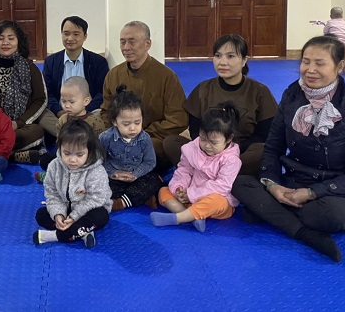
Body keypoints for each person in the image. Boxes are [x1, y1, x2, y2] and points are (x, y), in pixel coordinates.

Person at [231, 36, 345, 262]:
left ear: (339, 66)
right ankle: (305, 234)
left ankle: (272, 213)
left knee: (330, 215)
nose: (310, 70)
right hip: (294, 181)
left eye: (320, 63)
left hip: (337, 191)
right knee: (240, 183)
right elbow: (272, 148)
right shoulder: (292, 94)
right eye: (305, 62)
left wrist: (312, 193)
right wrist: (272, 185)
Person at [163, 35, 278, 176]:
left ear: (244, 60)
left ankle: (207, 174)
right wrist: (210, 148)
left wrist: (228, 150)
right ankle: (221, 175)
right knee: (170, 142)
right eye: (218, 56)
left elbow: (264, 135)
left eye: (230, 56)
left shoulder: (259, 91)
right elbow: (195, 131)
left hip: (240, 153)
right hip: (206, 150)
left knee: (262, 151)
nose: (222, 62)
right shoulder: (203, 89)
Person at [101, 21, 187, 171]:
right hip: (119, 134)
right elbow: (106, 111)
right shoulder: (113, 75)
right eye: (122, 42)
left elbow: (178, 118)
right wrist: (119, 134)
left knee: (152, 148)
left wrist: (142, 134)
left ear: (147, 44)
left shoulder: (166, 76)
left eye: (132, 42)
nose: (126, 47)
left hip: (152, 137)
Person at [150, 102, 242, 232]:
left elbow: (222, 186)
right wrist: (179, 188)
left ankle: (178, 218)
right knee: (164, 191)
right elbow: (183, 170)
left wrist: (192, 194)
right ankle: (192, 217)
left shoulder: (231, 160)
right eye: (203, 139)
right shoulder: (192, 148)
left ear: (228, 139)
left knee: (217, 201)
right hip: (189, 195)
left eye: (213, 142)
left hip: (214, 199)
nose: (207, 146)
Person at [0, 20, 47, 164]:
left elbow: (40, 100)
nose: (6, 42)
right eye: (1, 38)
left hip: (17, 127)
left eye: (11, 38)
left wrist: (18, 123)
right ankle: (11, 155)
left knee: (35, 132)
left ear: (18, 42)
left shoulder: (30, 68)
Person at [33, 119, 112, 248]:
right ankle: (83, 232)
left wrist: (75, 217)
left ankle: (55, 236)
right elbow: (52, 194)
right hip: (66, 208)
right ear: (60, 148)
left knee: (101, 216)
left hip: (88, 209)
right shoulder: (54, 166)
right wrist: (58, 214)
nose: (72, 159)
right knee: (41, 215)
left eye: (80, 154)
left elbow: (96, 199)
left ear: (89, 151)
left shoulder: (96, 170)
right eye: (67, 153)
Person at [40, 16, 109, 137]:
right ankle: (79, 135)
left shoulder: (98, 61)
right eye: (66, 34)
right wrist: (60, 112)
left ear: (85, 36)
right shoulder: (51, 62)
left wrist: (84, 113)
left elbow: (101, 92)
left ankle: (66, 135)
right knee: (43, 116)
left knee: (100, 115)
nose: (70, 38)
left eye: (76, 34)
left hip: (89, 113)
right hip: (60, 115)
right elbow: (48, 93)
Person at [99, 87, 164, 211]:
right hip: (114, 179)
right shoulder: (105, 138)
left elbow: (150, 162)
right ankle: (140, 198)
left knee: (154, 180)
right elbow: (100, 161)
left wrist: (136, 174)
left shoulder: (145, 139)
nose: (133, 128)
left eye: (137, 122)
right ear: (114, 121)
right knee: (98, 186)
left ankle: (120, 203)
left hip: (136, 178)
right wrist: (113, 173)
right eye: (126, 124)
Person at [35, 77, 106, 184]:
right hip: (67, 160)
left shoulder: (95, 122)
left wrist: (83, 160)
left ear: (86, 101)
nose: (67, 106)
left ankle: (54, 178)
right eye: (63, 101)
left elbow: (99, 149)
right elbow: (59, 144)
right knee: (45, 159)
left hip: (87, 161)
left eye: (72, 102)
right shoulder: (63, 120)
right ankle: (57, 176)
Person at [313, 7, 345, 74]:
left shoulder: (329, 23)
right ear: (342, 15)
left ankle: (330, 68)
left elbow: (326, 32)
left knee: (331, 55)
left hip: (333, 42)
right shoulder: (344, 23)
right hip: (344, 42)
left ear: (330, 16)